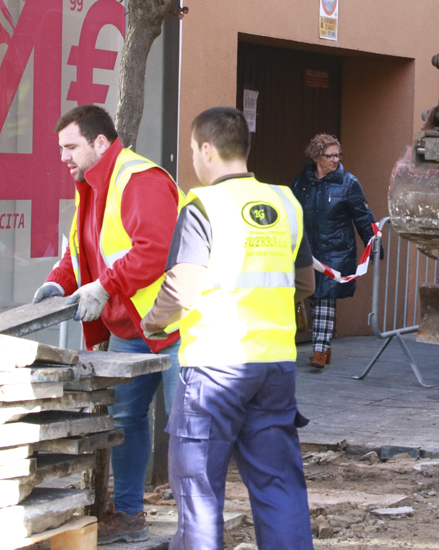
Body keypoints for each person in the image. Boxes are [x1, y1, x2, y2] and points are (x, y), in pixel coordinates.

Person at [140, 107, 316, 550]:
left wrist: (153, 322)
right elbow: (305, 283)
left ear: (206, 149)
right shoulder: (285, 203)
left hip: (214, 370)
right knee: (280, 487)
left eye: (193, 150)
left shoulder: (203, 205)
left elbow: (182, 289)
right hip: (275, 367)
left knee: (199, 492)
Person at [32, 104, 183, 545]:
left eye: (70, 146)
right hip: (131, 327)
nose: (63, 156)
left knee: (188, 428)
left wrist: (104, 286)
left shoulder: (139, 180)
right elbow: (82, 250)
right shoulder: (90, 184)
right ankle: (132, 516)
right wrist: (58, 283)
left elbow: (153, 251)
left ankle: (197, 526)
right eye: (60, 148)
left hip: (175, 327)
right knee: (126, 420)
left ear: (100, 142)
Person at [291, 134, 378, 369]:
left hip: (336, 250)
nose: (335, 159)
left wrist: (374, 245)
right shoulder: (303, 182)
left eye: (338, 155)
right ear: (316, 156)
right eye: (330, 155)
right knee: (311, 294)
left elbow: (363, 217)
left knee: (325, 298)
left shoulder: (348, 183)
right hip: (309, 249)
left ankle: (319, 350)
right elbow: (293, 213)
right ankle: (324, 347)